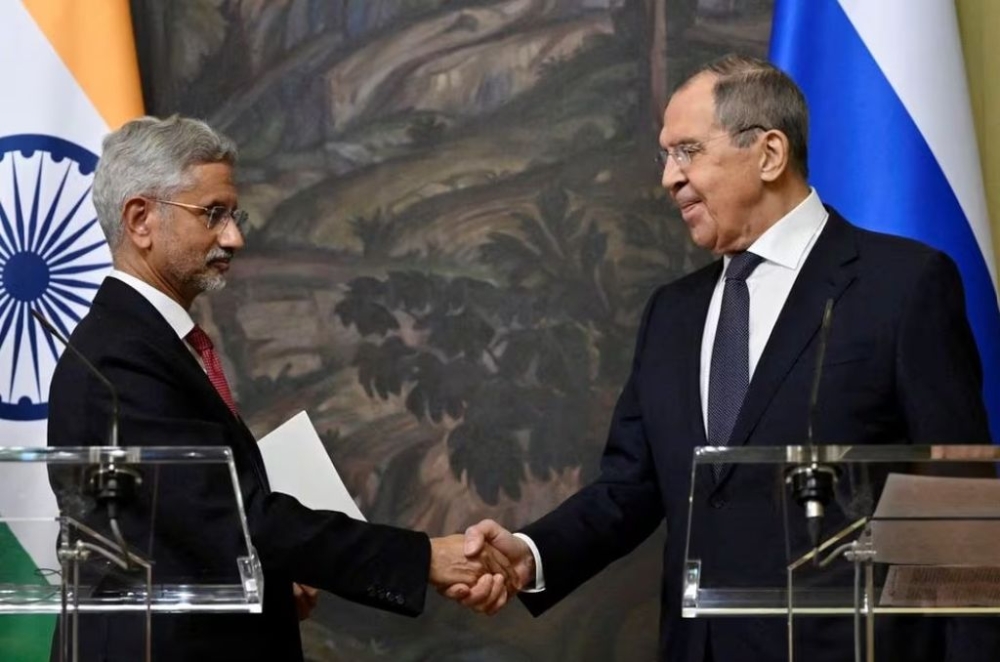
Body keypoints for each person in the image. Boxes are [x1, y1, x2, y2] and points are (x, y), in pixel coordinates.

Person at [451, 55, 997, 661]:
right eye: (665, 156)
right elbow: (629, 488)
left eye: (686, 150)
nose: (668, 178)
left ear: (768, 154)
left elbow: (956, 506)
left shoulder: (903, 284)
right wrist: (530, 553)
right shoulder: (672, 313)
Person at [46, 115, 512, 661]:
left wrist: (265, 577)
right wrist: (423, 557)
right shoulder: (120, 357)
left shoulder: (144, 343)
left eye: (234, 214)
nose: (235, 236)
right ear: (141, 219)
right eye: (213, 214)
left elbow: (185, 530)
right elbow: (234, 519)